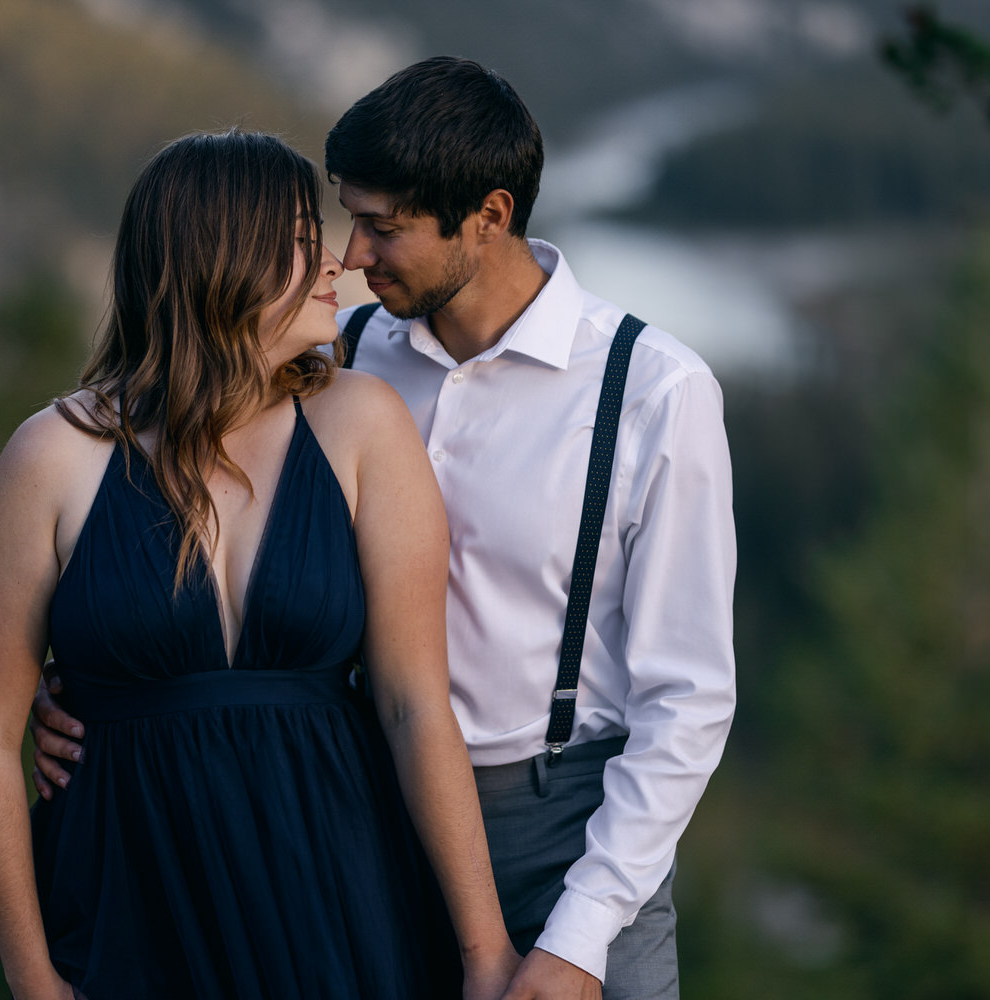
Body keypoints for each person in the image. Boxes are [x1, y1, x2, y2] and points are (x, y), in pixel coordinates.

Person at [36, 58, 737, 1000]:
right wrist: (88, 691)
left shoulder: (654, 391)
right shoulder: (334, 356)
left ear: (488, 216)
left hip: (569, 836)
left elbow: (687, 701)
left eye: (385, 226)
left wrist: (580, 934)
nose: (354, 255)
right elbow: (190, 516)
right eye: (348, 218)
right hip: (355, 816)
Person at [0, 130, 519, 1000]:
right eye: (300, 239)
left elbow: (414, 706)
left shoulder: (362, 425)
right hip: (130, 905)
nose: (338, 261)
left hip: (337, 894)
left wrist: (484, 955)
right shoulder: (52, 457)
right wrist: (31, 978)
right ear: (221, 258)